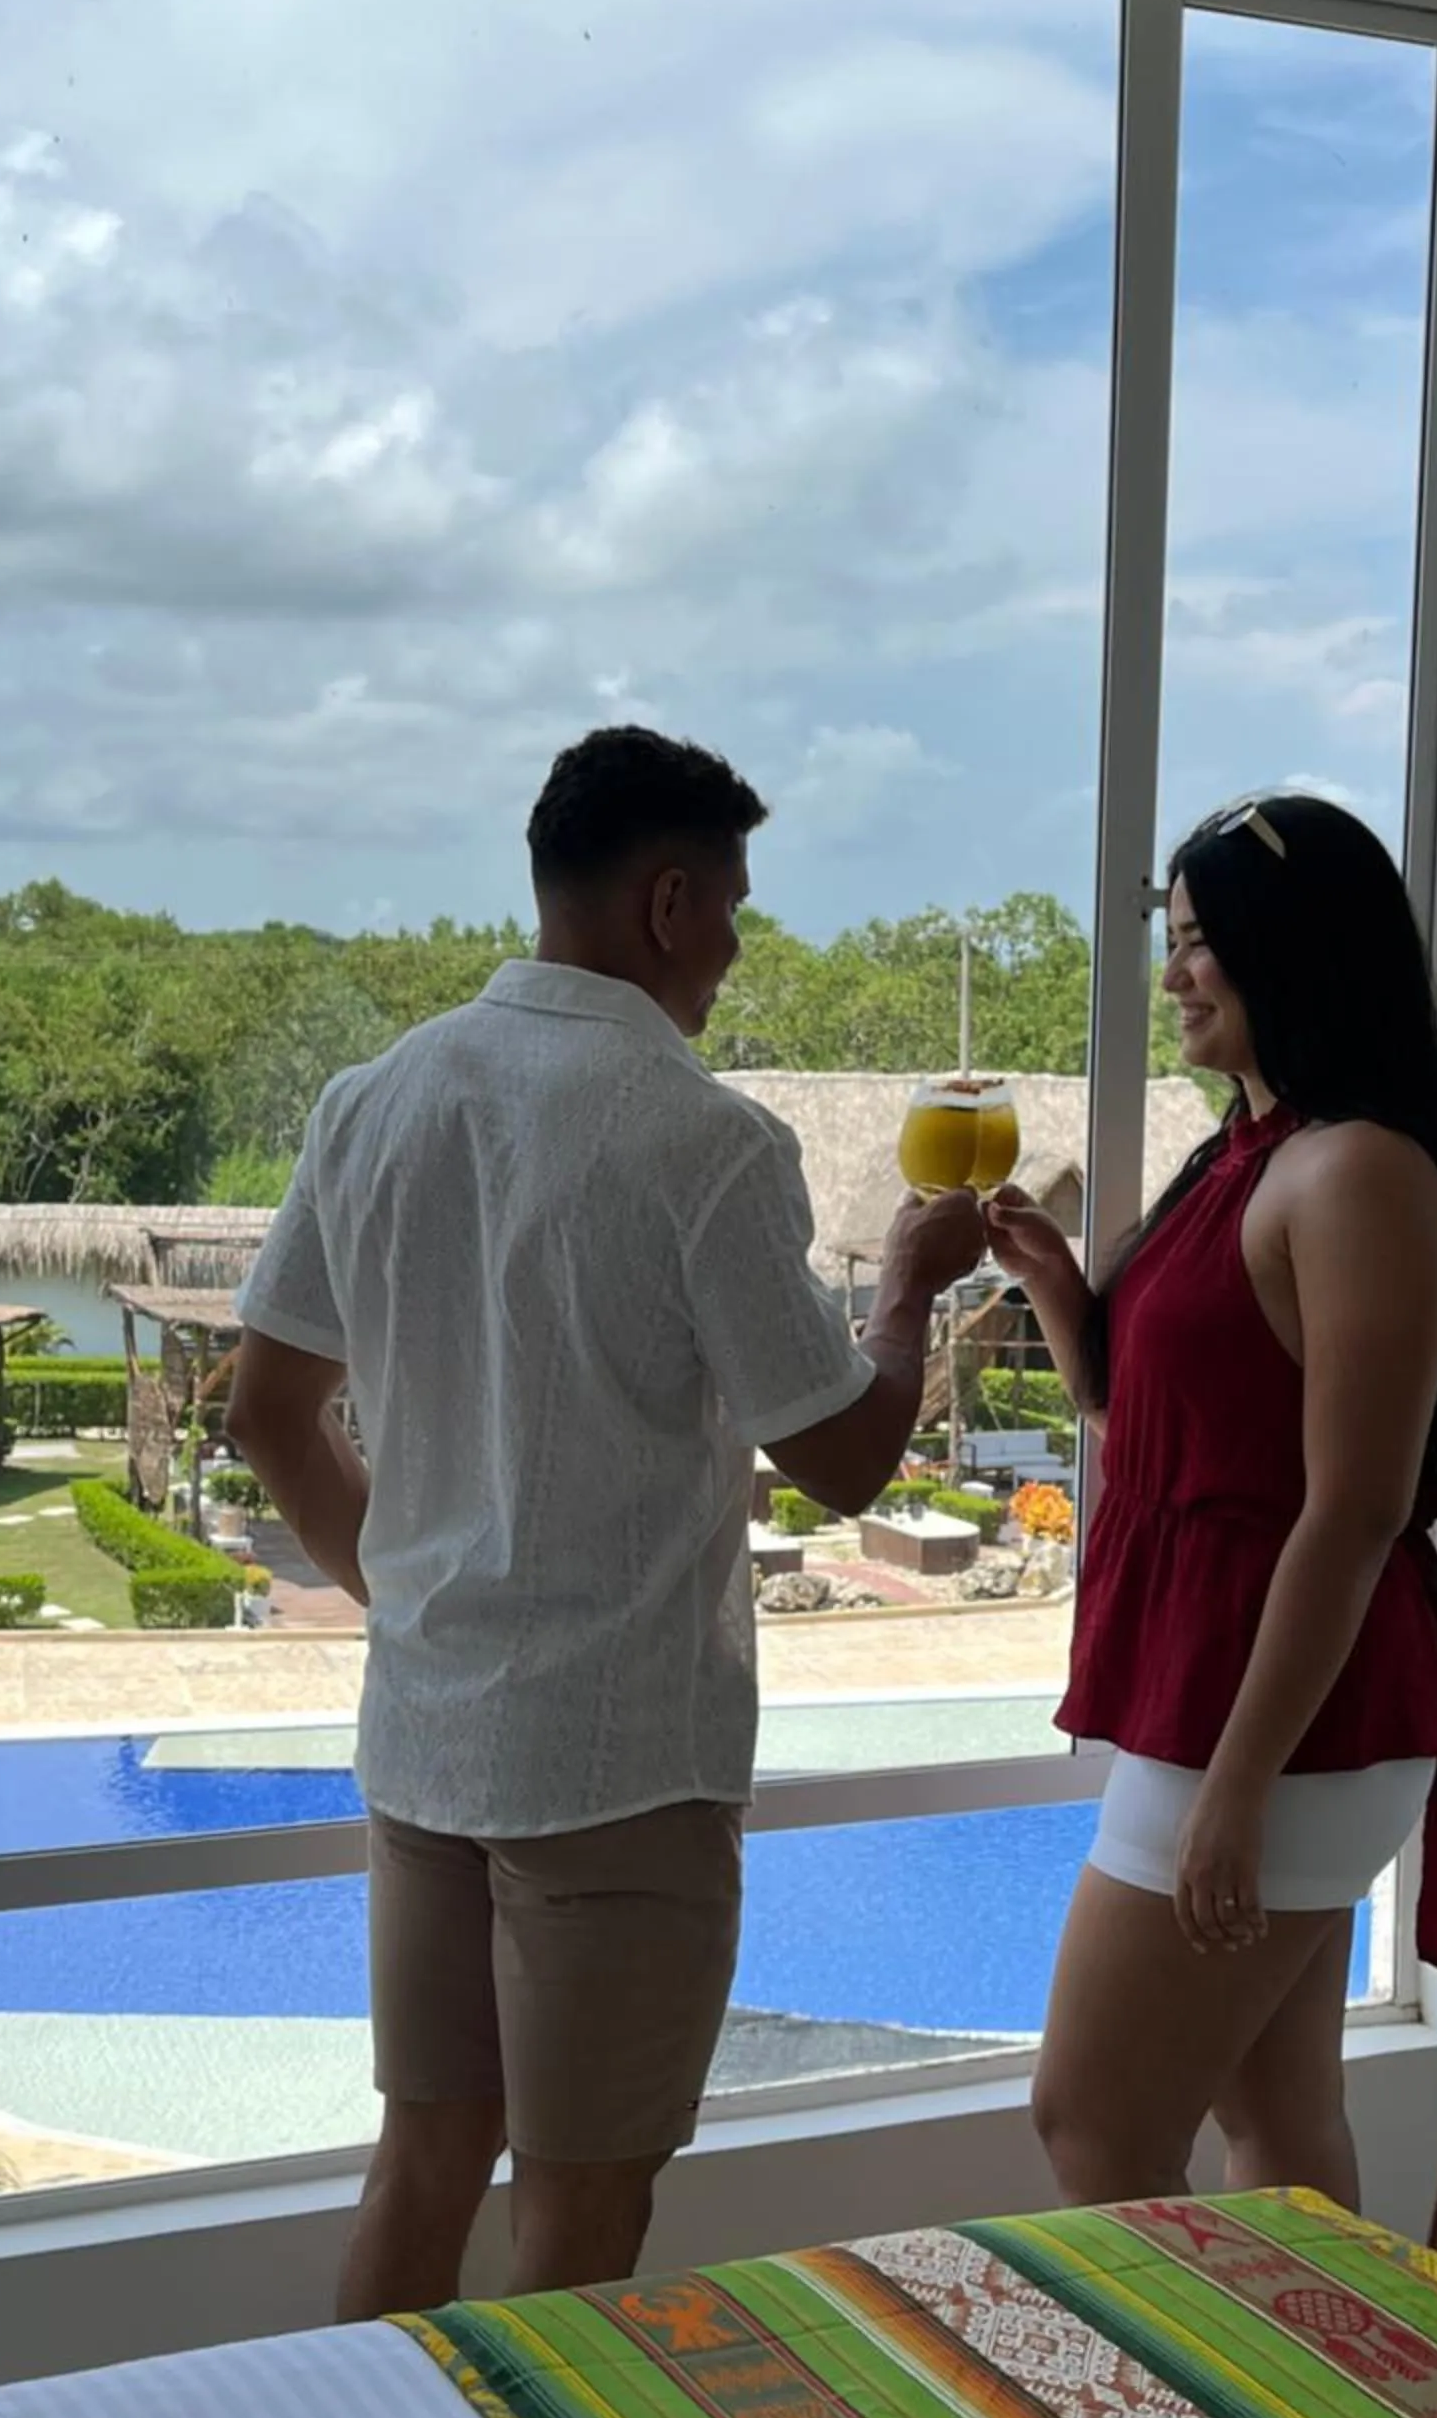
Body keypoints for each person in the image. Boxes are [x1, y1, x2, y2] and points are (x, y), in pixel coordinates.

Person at [227, 725, 983, 2315]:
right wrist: (910, 1293)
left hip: (426, 1744)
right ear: (666, 901)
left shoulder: (374, 1100)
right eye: (731, 908)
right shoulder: (701, 1139)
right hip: (616, 1768)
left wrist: (408, 1598)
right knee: (579, 2224)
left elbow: (267, 1413)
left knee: (422, 2166)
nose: (731, 948)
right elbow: (843, 1459)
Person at [986, 793, 1437, 2214]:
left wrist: (1236, 1786)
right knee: (1275, 2117)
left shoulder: (1357, 1174)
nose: (1171, 977)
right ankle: (1316, 2358)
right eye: (1171, 942)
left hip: (1284, 1723)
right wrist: (1054, 1286)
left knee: (1090, 2121)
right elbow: (1170, 1442)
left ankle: (1158, 2366)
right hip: (1243, 1702)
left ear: (1293, 946)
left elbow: (1353, 1510)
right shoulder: (1245, 1155)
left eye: (1197, 941)